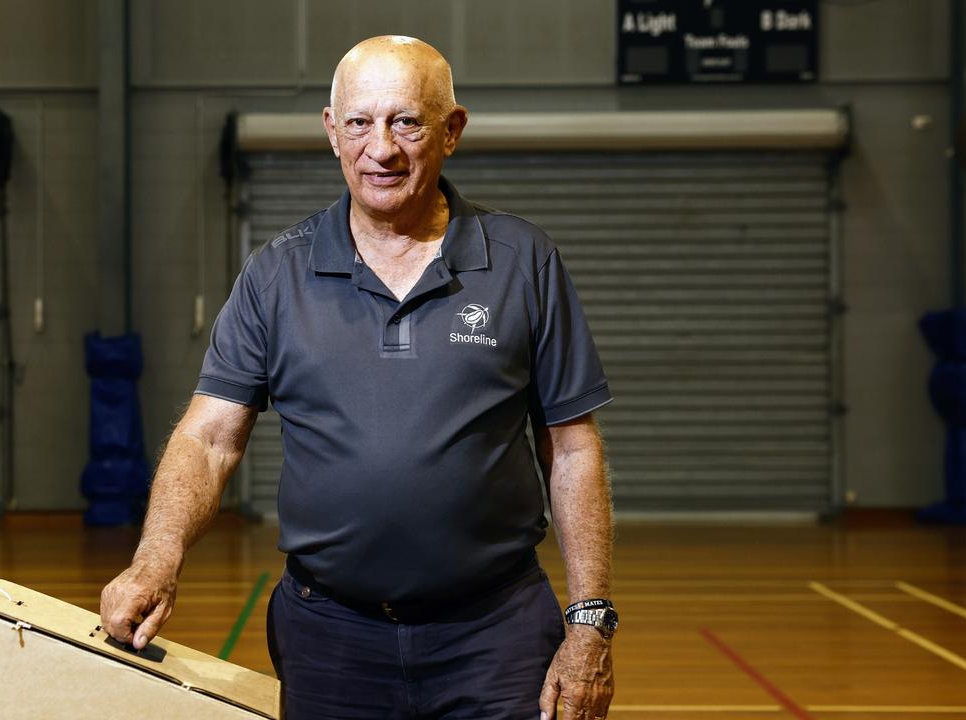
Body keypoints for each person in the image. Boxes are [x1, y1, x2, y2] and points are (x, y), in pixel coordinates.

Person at [101, 35, 617, 720]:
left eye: (407, 121)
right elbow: (209, 438)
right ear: (331, 131)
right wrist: (155, 558)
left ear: (451, 130)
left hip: (496, 634)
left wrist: (588, 619)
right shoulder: (275, 275)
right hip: (329, 639)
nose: (382, 149)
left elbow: (572, 447)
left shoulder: (523, 261)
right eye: (360, 123)